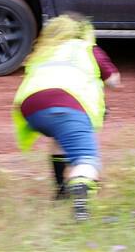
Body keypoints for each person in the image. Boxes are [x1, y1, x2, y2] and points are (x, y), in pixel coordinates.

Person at [12, 13, 121, 220]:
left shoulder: (45, 51)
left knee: (60, 138)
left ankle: (62, 192)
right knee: (87, 159)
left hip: (30, 107)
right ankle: (80, 196)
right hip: (66, 104)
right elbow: (114, 80)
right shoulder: (88, 49)